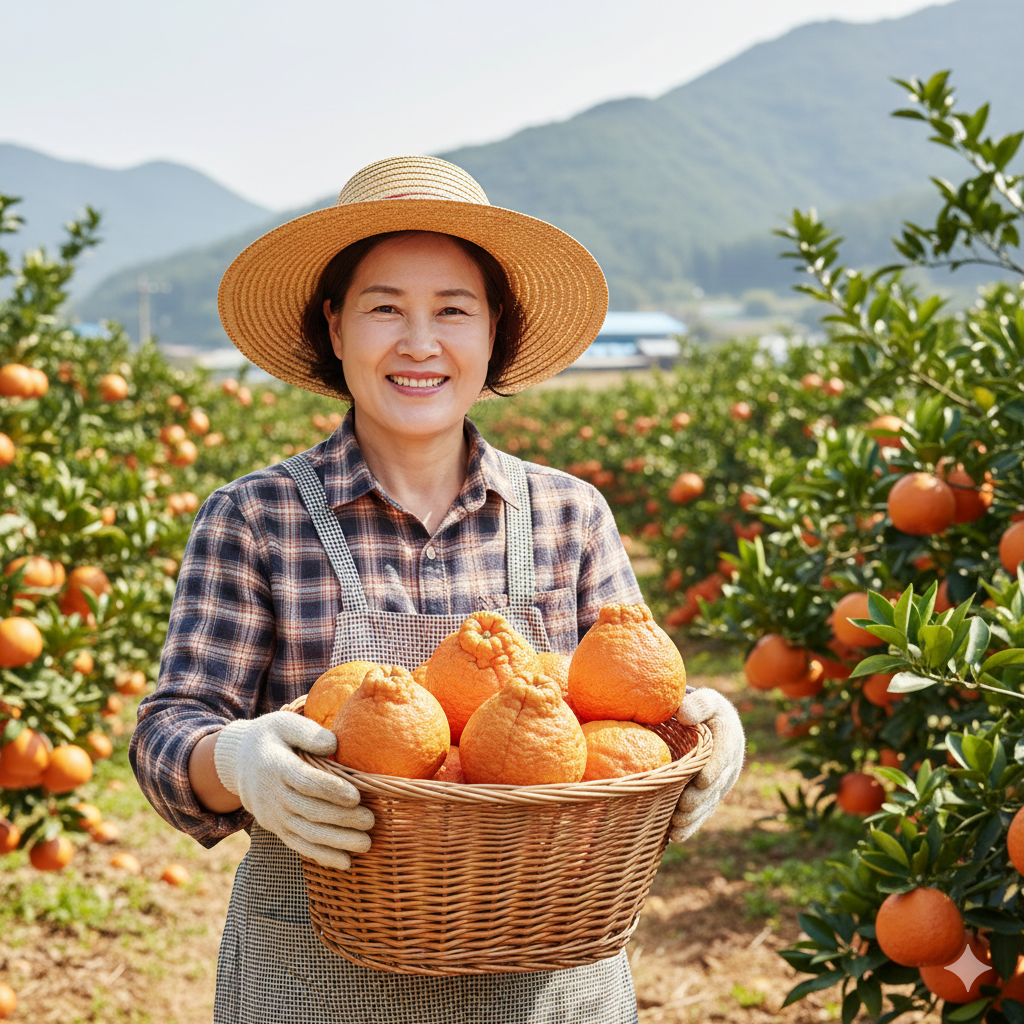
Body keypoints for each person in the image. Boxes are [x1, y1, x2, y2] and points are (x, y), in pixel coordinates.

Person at [130, 155, 745, 1024]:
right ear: (335, 327)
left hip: (544, 977)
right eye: (385, 308)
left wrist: (701, 729)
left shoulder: (569, 515)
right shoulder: (255, 518)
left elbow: (636, 717)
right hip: (315, 975)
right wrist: (236, 760)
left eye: (453, 310)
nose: (420, 343)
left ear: (495, 330)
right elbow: (168, 732)